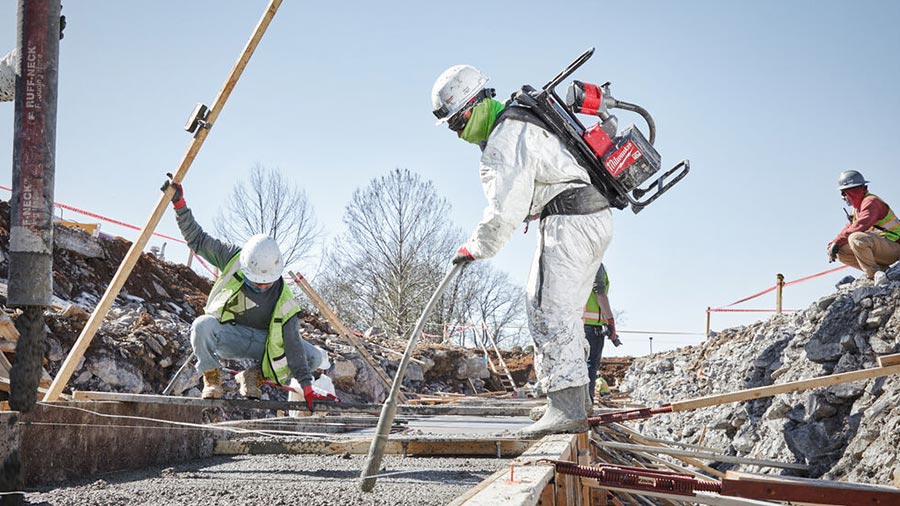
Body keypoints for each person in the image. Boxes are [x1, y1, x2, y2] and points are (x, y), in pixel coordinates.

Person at [432, 64, 612, 435]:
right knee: (563, 312)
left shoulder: (505, 137)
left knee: (546, 308)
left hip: (569, 221)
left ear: (476, 104)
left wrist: (476, 247)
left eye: (457, 123)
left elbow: (504, 210)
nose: (458, 133)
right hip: (590, 216)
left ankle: (566, 408)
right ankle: (571, 402)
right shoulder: (522, 121)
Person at [161, 177, 328, 409]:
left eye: (266, 282)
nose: (261, 286)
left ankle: (254, 376)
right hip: (228, 336)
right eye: (256, 281)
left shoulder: (284, 297)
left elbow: (292, 344)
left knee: (313, 357)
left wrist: (306, 387)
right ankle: (212, 379)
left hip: (264, 345)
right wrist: (179, 205)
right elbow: (197, 239)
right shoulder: (231, 258)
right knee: (201, 325)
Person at [826, 170, 900, 285]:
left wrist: (838, 242)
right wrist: (834, 244)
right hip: (883, 248)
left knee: (855, 238)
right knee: (840, 250)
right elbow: (848, 228)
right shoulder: (857, 209)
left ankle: (874, 275)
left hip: (895, 247)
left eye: (843, 193)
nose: (843, 198)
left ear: (852, 191)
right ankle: (881, 272)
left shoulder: (871, 202)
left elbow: (859, 226)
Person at [582, 263, 618, 405]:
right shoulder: (594, 264)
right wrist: (610, 321)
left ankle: (580, 403)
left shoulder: (577, 263)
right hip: (591, 325)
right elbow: (600, 293)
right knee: (590, 364)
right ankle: (586, 404)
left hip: (579, 323)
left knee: (579, 364)